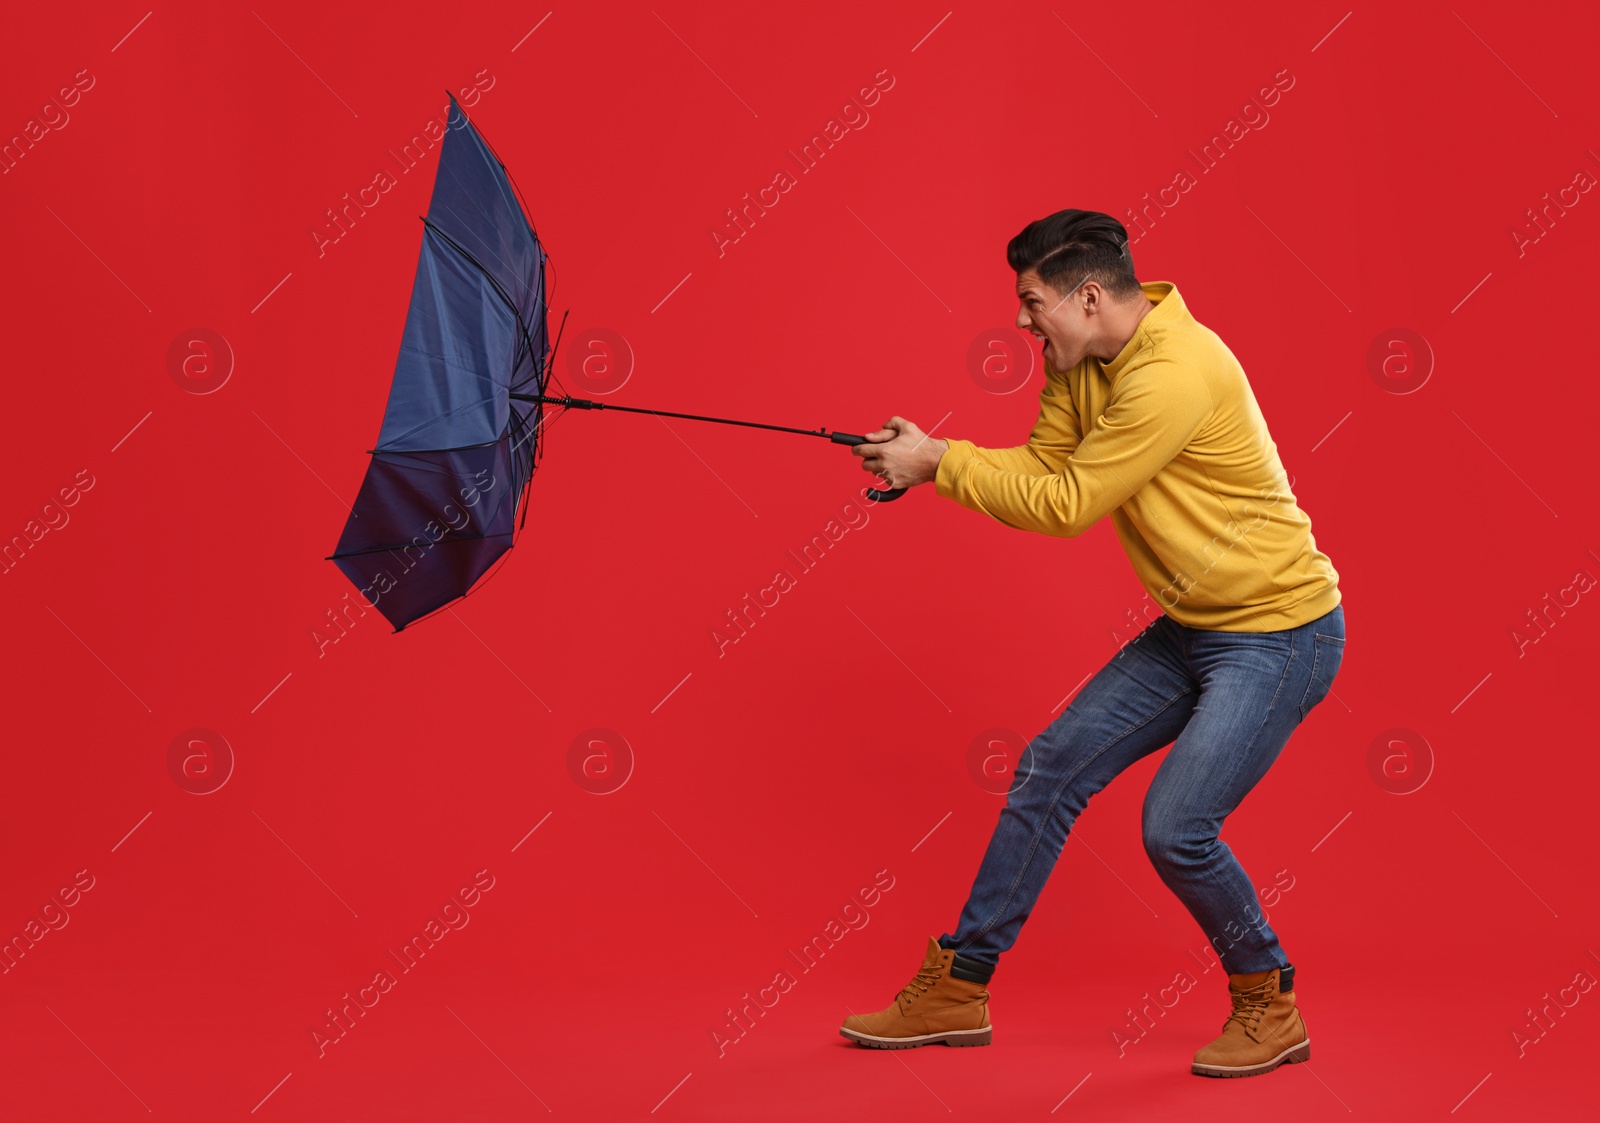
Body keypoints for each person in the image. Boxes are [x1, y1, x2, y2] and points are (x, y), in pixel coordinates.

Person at [839, 209, 1345, 1078]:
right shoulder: (1080, 362)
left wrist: (940, 464)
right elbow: (1044, 467)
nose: (1022, 322)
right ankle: (961, 984)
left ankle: (1270, 997)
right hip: (1194, 628)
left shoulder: (1176, 372)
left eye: (1032, 303)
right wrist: (934, 462)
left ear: (1088, 295)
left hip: (1279, 632)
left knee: (1177, 826)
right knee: (1050, 766)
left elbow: (1071, 504)